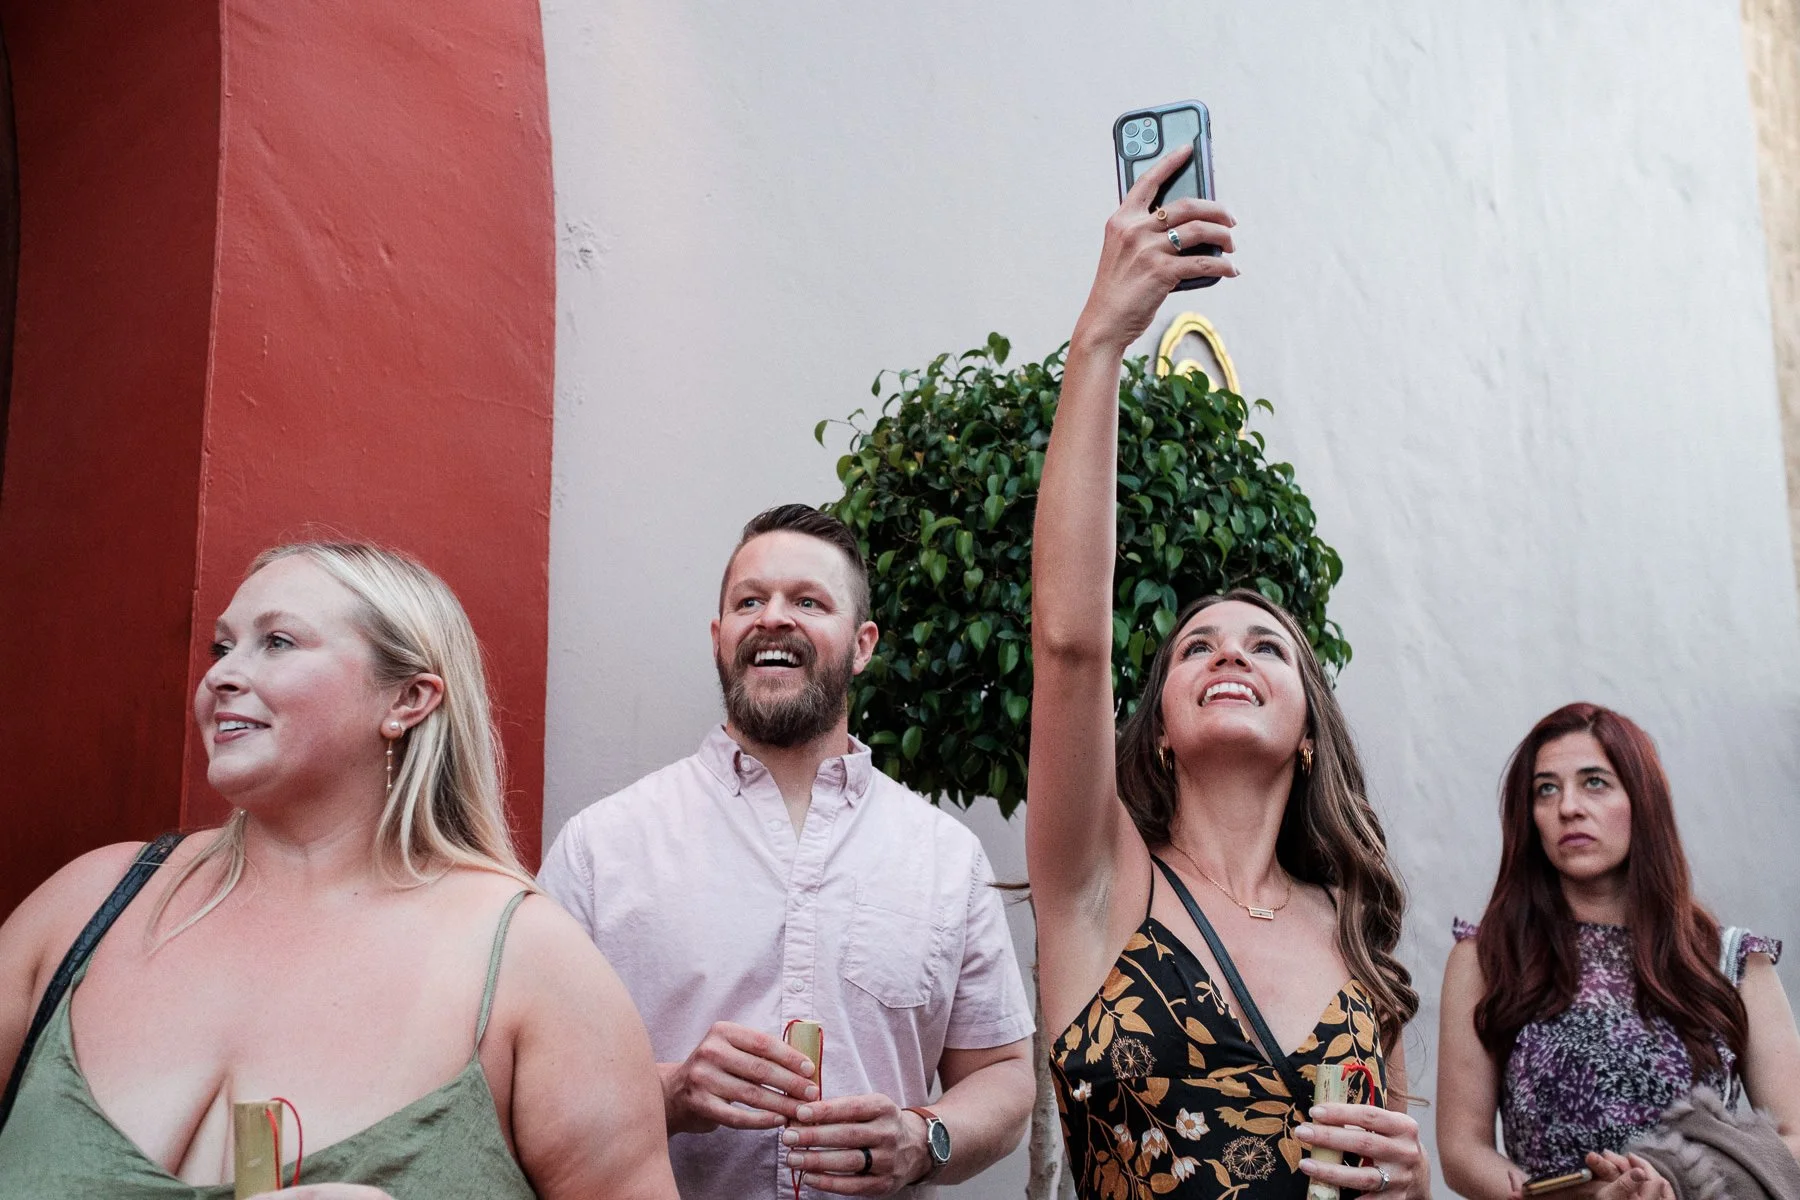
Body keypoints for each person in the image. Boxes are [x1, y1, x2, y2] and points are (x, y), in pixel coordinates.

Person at [0, 542, 676, 1199]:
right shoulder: (89, 904)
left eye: (279, 642)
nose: (221, 675)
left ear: (407, 700)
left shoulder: (532, 963)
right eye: (222, 646)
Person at [1027, 144, 1431, 1199]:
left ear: (1308, 729)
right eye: (1195, 647)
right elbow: (1070, 643)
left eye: (1265, 646)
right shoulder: (1099, 882)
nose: (1228, 655)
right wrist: (1102, 340)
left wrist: (1408, 1186)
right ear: (1157, 724)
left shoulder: (1357, 945)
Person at [539, 503, 1036, 1198]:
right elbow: (529, 1085)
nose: (774, 617)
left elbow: (1004, 1076)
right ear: (721, 637)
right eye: (751, 601)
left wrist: (924, 1139)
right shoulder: (601, 847)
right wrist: (672, 1091)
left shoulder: (946, 858)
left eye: (808, 600)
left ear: (862, 646)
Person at [1437, 702, 1800, 1200]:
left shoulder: (1732, 961)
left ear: (1643, 800)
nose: (1568, 806)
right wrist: (1574, 1198)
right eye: (1546, 789)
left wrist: (1675, 1181)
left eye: (1595, 782)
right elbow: (1462, 1151)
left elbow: (1794, 1140)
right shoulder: (1487, 957)